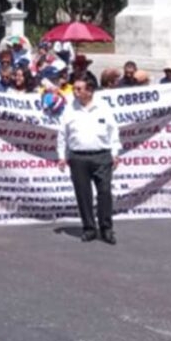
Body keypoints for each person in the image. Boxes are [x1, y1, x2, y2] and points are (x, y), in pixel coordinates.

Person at [57, 74, 120, 244]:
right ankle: (89, 228)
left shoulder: (103, 107)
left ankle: (106, 228)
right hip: (78, 157)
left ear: (90, 91)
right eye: (74, 88)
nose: (75, 92)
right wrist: (61, 156)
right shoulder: (70, 108)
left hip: (102, 156)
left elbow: (113, 131)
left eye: (79, 89)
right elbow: (62, 134)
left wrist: (115, 152)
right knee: (83, 195)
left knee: (105, 193)